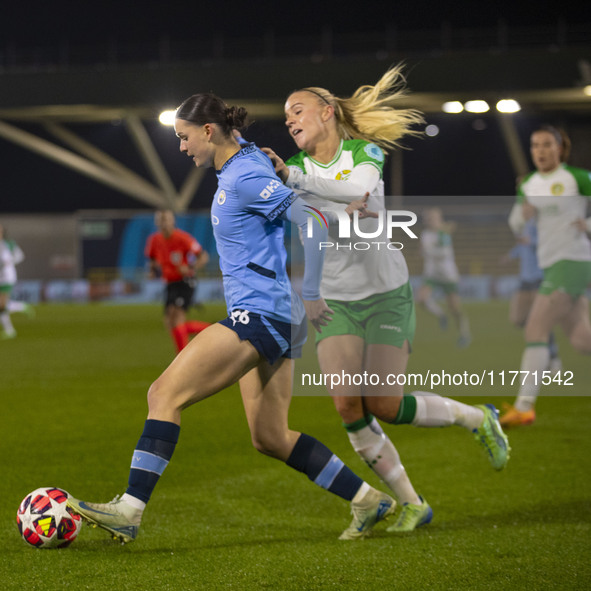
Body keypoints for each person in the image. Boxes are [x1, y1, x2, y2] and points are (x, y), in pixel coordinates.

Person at [67, 92, 398, 543]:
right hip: (276, 314)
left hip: (262, 314)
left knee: (163, 394)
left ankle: (129, 509)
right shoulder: (243, 163)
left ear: (208, 131)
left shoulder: (243, 174)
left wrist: (315, 290)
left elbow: (311, 224)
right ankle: (366, 499)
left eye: (184, 138)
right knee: (270, 437)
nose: (182, 148)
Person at [261, 66, 509, 534]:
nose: (290, 119)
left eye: (298, 109)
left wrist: (299, 181)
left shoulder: (362, 153)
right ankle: (413, 503)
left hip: (384, 296)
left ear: (327, 112)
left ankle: (478, 417)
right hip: (334, 299)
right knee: (348, 407)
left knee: (386, 405)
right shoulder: (296, 171)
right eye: (286, 115)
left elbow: (355, 191)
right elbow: (315, 226)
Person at [504, 125, 591, 427]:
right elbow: (516, 222)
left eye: (546, 145)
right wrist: (522, 216)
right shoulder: (528, 183)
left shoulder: (577, 178)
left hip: (573, 262)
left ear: (560, 148)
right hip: (551, 266)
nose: (540, 151)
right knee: (582, 340)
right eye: (534, 145)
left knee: (535, 329)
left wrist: (588, 225)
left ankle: (524, 406)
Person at [145, 209, 210, 353]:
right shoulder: (155, 240)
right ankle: (207, 332)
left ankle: (183, 355)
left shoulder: (182, 238)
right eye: (161, 220)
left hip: (185, 281)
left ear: (173, 221)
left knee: (178, 319)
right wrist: (151, 271)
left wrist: (190, 267)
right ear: (157, 223)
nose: (164, 223)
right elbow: (152, 259)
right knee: (169, 321)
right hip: (170, 282)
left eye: (166, 219)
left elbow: (203, 256)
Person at [501, 218, 561, 374]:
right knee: (517, 319)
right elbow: (521, 246)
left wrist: (531, 241)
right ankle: (542, 345)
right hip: (524, 279)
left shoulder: (541, 222)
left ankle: (553, 358)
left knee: (541, 319)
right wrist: (510, 255)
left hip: (538, 277)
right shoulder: (525, 225)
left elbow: (547, 244)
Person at [417, 207, 471, 347]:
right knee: (421, 299)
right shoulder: (425, 234)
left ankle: (464, 334)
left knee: (455, 309)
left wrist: (427, 250)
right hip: (432, 274)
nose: (430, 221)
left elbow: (443, 254)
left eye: (433, 218)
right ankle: (441, 315)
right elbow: (423, 252)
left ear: (439, 219)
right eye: (428, 219)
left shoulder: (443, 234)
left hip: (448, 275)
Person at [0, 223, 34, 339]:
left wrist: (9, 263)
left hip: (6, 278)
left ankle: (10, 330)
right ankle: (21, 307)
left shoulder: (8, 244)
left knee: (1, 304)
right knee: (2, 305)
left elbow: (20, 256)